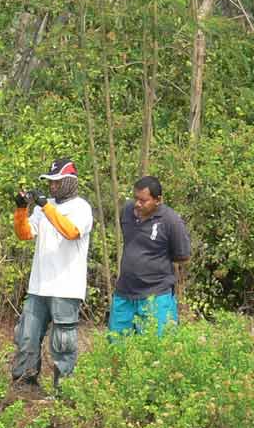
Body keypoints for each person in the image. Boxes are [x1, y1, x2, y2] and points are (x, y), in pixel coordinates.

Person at [11, 157, 95, 390]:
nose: (52, 186)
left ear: (69, 182)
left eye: (56, 182)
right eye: (50, 182)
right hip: (38, 286)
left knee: (62, 344)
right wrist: (21, 209)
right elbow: (25, 234)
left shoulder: (81, 208)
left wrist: (45, 206)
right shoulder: (43, 207)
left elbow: (70, 231)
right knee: (26, 336)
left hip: (66, 289)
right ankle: (24, 385)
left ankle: (63, 391)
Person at [111, 175, 192, 336]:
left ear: (158, 200)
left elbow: (183, 255)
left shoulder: (171, 220)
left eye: (143, 200)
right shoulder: (127, 212)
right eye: (136, 198)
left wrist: (154, 261)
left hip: (156, 295)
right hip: (124, 293)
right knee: (116, 347)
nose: (137, 204)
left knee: (157, 348)